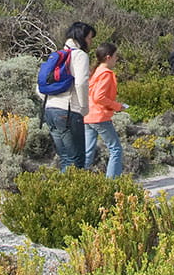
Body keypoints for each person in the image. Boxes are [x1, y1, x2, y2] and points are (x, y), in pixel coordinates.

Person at [40, 22, 95, 168]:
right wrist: (84, 108)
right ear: (81, 37)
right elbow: (81, 83)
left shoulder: (56, 55)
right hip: (69, 112)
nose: (91, 42)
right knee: (76, 160)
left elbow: (40, 86)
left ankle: (59, 190)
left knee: (65, 158)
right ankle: (75, 191)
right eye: (90, 38)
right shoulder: (80, 55)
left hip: (50, 111)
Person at [82, 41, 127, 178]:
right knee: (116, 149)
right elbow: (99, 97)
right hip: (99, 116)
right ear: (108, 57)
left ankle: (77, 180)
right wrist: (117, 106)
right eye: (115, 56)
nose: (116, 59)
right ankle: (112, 184)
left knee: (88, 152)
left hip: (88, 116)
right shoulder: (106, 74)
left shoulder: (96, 72)